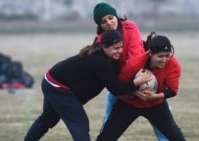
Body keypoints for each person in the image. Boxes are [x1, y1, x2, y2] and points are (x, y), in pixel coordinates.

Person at [23, 30, 152, 141]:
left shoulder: (110, 58)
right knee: (80, 123)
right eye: (116, 48)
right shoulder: (99, 61)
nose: (120, 51)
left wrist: (147, 47)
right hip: (57, 85)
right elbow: (115, 89)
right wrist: (139, 81)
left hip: (53, 80)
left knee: (48, 119)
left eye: (121, 47)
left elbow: (118, 80)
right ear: (105, 47)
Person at [92, 3, 168, 140]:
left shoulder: (130, 26)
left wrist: (136, 84)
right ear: (100, 26)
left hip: (144, 81)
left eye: (110, 18)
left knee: (164, 126)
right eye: (103, 21)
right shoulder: (100, 42)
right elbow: (106, 71)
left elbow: (135, 59)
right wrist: (127, 90)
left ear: (116, 16)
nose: (109, 23)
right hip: (120, 87)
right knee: (109, 126)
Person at [96, 35, 186, 141]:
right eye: (160, 56)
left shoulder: (173, 65)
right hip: (128, 104)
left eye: (167, 55)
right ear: (150, 53)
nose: (164, 60)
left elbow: (172, 90)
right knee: (106, 137)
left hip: (156, 105)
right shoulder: (134, 65)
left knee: (176, 136)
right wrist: (132, 92)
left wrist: (154, 96)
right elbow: (119, 89)